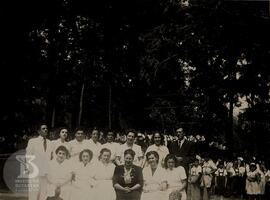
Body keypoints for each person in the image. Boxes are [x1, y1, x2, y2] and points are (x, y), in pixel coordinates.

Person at [26, 124, 52, 200]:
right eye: (43, 128)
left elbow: (50, 157)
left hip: (46, 173)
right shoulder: (32, 141)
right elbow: (28, 156)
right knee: (33, 195)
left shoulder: (50, 142)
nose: (46, 130)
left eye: (46, 128)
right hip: (35, 172)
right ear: (39, 131)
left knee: (43, 195)